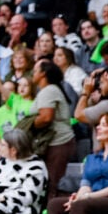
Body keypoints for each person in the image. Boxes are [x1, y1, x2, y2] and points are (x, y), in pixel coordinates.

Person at [29, 59, 77, 205]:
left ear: (43, 74)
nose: (33, 73)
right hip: (55, 143)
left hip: (58, 143)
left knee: (53, 184)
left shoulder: (49, 90)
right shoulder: (49, 90)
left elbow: (46, 117)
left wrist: (27, 125)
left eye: (36, 70)